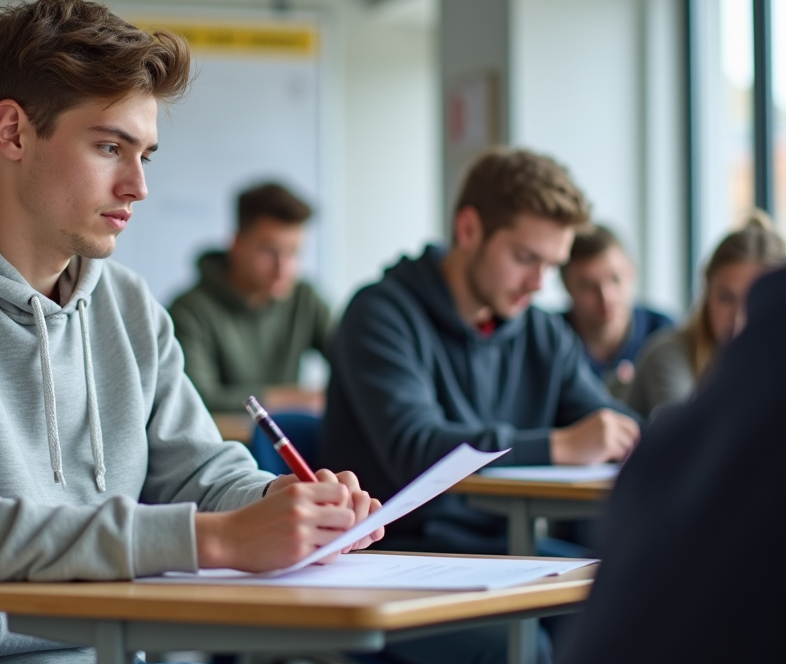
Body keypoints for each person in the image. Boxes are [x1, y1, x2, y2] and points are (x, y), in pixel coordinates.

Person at [0, 0, 460, 664]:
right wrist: (212, 539)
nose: (138, 186)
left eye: (143, 154)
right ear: (13, 131)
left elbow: (199, 472)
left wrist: (279, 506)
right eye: (110, 147)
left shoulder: (126, 305)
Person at [323, 147, 640, 553]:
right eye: (525, 258)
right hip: (404, 554)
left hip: (510, 546)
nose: (538, 283)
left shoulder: (541, 330)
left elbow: (605, 423)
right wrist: (560, 447)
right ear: (469, 229)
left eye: (551, 265)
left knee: (639, 596)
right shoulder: (379, 314)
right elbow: (415, 448)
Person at [513, 267, 786, 664]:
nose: (536, 280)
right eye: (724, 297)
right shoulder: (675, 352)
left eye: (616, 281)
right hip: (468, 532)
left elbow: (625, 422)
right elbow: (417, 440)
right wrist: (557, 446)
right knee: (541, 628)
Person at [168, 182, 331, 413]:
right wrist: (298, 398)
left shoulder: (305, 298)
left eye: (293, 252)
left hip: (289, 441)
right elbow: (199, 397)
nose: (283, 268)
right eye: (270, 251)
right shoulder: (189, 311)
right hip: (227, 445)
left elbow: (354, 358)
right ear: (238, 244)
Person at [626, 213, 785, 418]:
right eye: (726, 298)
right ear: (707, 292)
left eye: (753, 300)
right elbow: (689, 439)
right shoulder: (668, 354)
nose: (738, 317)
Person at [559, 224, 673, 400]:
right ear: (567, 285)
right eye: (589, 286)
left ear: (631, 272)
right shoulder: (549, 339)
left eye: (615, 279)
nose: (606, 297)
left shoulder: (664, 332)